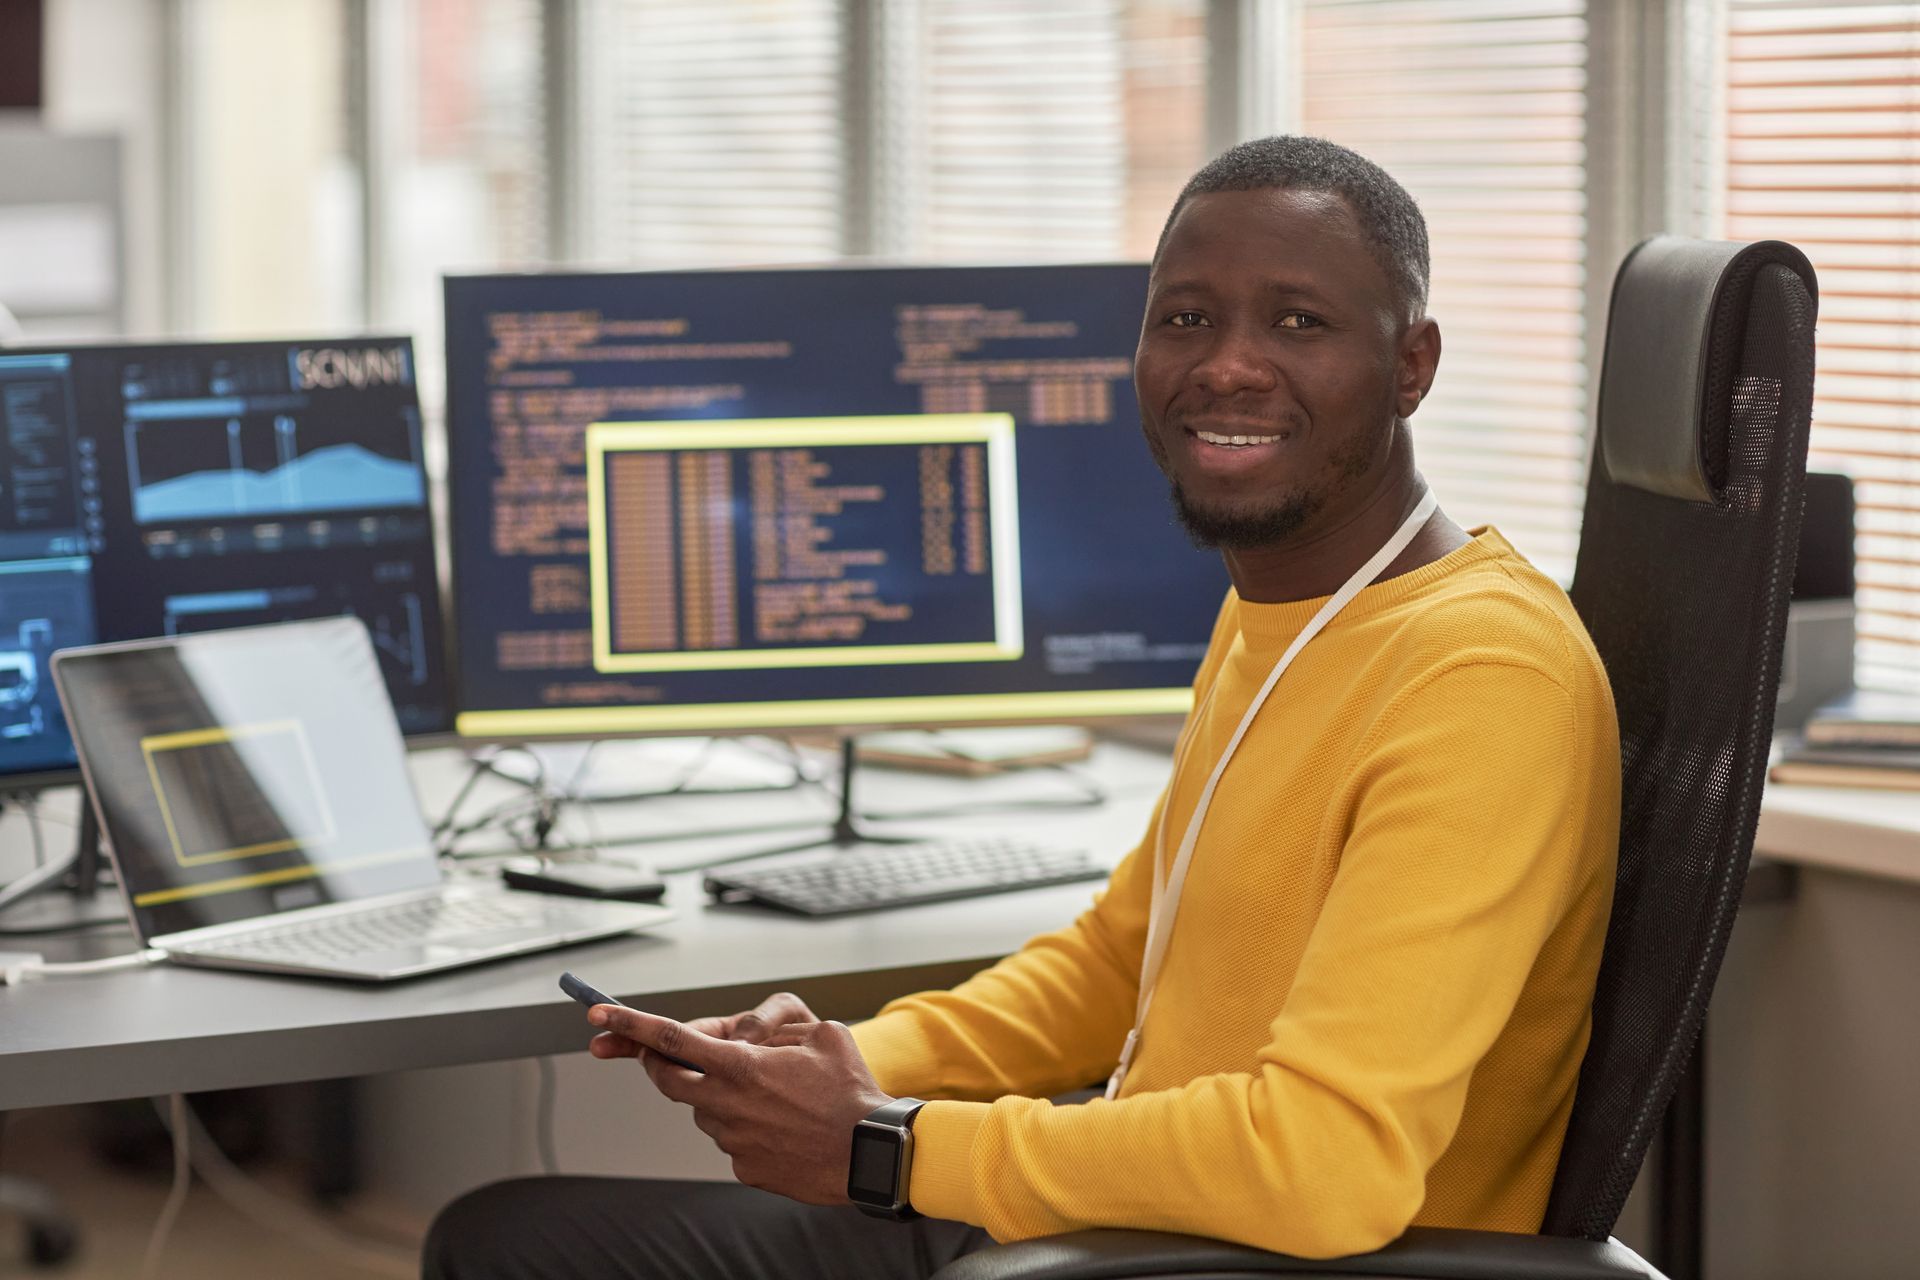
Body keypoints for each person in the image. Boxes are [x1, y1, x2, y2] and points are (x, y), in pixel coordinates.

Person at [423, 135, 1620, 1279]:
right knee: (505, 1231)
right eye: (1186, 318)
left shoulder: (1477, 678)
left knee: (512, 1251)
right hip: (1149, 1230)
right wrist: (845, 1063)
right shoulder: (1293, 605)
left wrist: (889, 1145)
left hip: (1244, 1259)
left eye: (1298, 321)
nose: (1227, 364)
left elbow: (1324, 1165)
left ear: (1412, 362)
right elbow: (1116, 966)